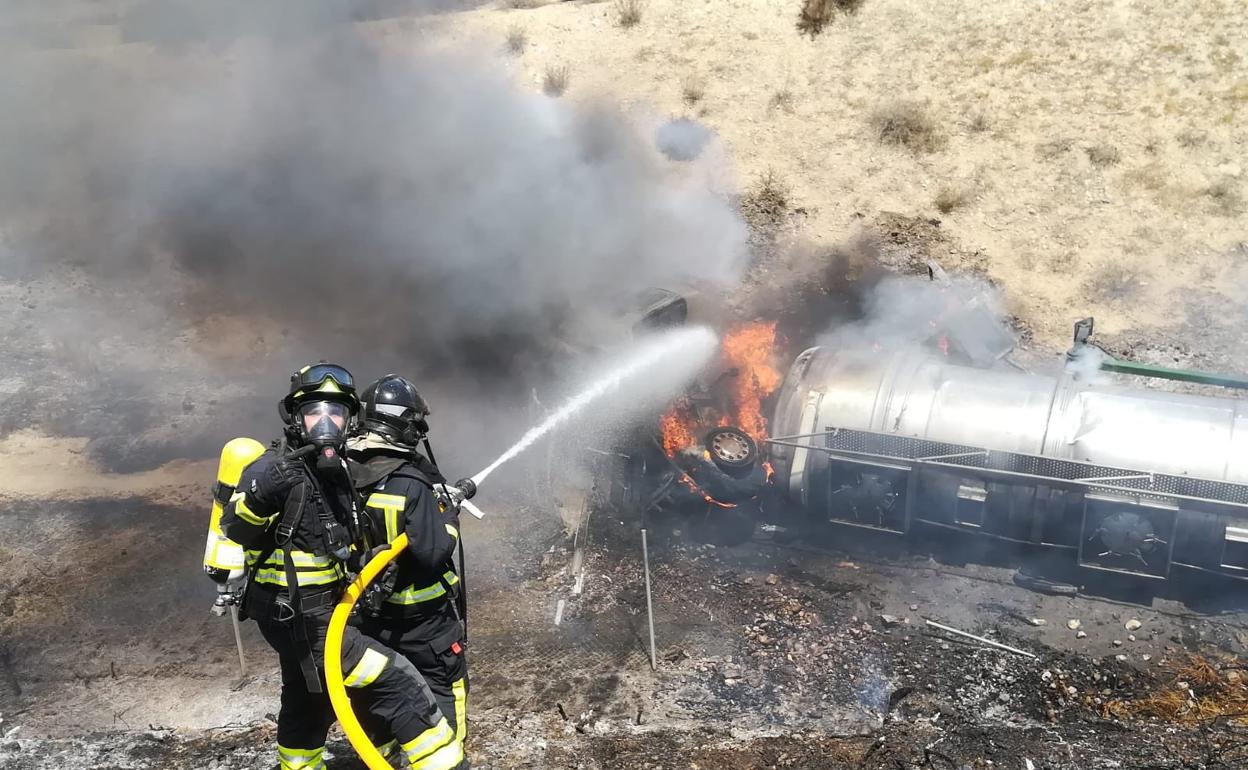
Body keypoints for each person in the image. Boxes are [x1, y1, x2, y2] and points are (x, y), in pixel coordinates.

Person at [220, 363, 466, 770]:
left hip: (318, 613)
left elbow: (333, 543)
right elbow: (236, 528)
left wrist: (366, 561)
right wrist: (261, 495)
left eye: (336, 414)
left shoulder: (332, 474)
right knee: (398, 682)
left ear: (351, 419)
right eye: (315, 412)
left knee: (308, 699)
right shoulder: (272, 468)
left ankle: (299, 765)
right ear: (296, 418)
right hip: (298, 616)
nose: (326, 423)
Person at [348, 374, 470, 761]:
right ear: (402, 422)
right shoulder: (409, 484)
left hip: (368, 615)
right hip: (425, 621)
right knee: (443, 687)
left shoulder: (345, 472)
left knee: (383, 689)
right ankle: (448, 758)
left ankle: (382, 757)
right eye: (416, 423)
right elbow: (433, 552)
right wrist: (448, 515)